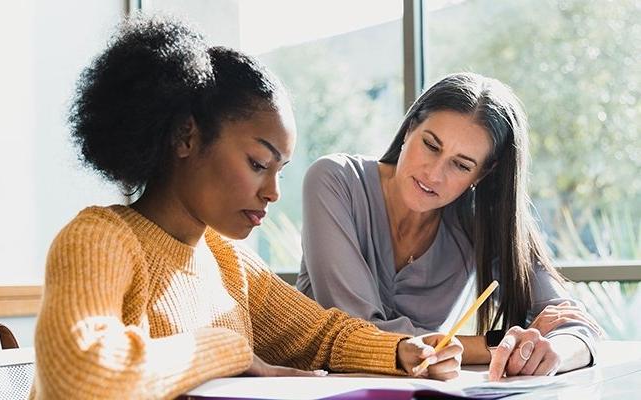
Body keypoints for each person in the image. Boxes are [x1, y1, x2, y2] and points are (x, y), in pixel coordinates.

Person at [30, 15, 464, 400]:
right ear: (186, 137)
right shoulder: (99, 239)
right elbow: (84, 379)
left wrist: (401, 351)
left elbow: (321, 337)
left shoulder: (227, 260)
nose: (273, 192)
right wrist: (230, 348)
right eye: (258, 163)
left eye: (280, 170)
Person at [296, 72, 602, 381]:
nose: (434, 174)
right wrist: (497, 344)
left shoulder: (479, 218)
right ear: (410, 128)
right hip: (309, 388)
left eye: (461, 165)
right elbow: (359, 334)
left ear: (481, 175)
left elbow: (575, 326)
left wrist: (546, 354)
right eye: (431, 145)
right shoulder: (334, 180)